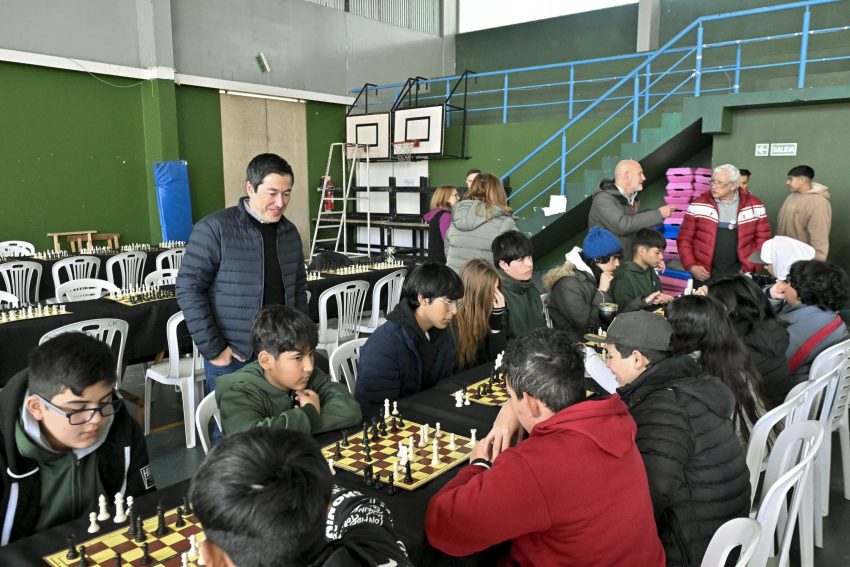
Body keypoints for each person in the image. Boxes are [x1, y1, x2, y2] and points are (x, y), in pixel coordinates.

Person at [425, 329, 666, 567]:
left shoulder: (537, 464)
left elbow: (444, 527)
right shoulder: (615, 420)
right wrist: (513, 409)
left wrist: (478, 465)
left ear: (531, 403)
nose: (511, 404)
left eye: (511, 397)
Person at [592, 312, 750, 566]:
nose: (608, 366)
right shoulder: (691, 385)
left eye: (609, 356)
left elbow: (649, 497)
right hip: (724, 533)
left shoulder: (664, 408)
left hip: (694, 550)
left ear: (637, 359)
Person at [0, 333, 154, 545]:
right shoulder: (4, 449)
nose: (97, 419)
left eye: (104, 402)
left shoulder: (123, 429)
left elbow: (144, 504)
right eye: (78, 409)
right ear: (37, 408)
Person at [176, 153, 308, 395]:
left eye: (287, 193)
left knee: (282, 416)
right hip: (236, 355)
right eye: (272, 193)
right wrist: (215, 349)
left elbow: (298, 287)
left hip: (282, 352)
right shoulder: (215, 228)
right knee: (235, 419)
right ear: (250, 188)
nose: (280, 202)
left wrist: (300, 340)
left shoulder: (289, 232)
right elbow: (189, 288)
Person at [189, 428, 411, 567]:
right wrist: (312, 491)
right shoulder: (376, 551)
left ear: (210, 558)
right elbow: (365, 508)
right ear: (328, 508)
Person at [215, 305, 361, 436]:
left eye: (311, 354)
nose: (309, 366)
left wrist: (301, 422)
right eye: (298, 357)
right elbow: (251, 441)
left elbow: (350, 409)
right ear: (266, 361)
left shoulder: (308, 375)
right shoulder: (238, 392)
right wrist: (310, 414)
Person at [354, 262, 463, 416]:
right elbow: (375, 411)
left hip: (429, 413)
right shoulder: (383, 347)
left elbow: (446, 383)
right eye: (448, 302)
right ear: (423, 298)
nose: (455, 310)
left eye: (456, 302)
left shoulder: (442, 332)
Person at [666, 295, 768, 444]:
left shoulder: (692, 374)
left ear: (682, 332)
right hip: (759, 447)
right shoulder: (733, 357)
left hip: (738, 452)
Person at [702, 274, 794, 408]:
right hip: (777, 409)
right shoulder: (770, 328)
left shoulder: (734, 348)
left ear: (726, 307)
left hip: (754, 414)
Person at [677, 164, 771, 283]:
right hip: (704, 274)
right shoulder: (698, 205)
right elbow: (684, 239)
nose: (714, 186)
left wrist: (751, 267)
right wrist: (691, 266)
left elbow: (763, 240)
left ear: (733, 185)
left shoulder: (755, 205)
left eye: (719, 183)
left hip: (740, 275)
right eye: (713, 182)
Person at [773, 260, 850, 382]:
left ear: (799, 291)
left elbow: (771, 368)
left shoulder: (795, 328)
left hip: (792, 388)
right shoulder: (828, 315)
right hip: (824, 385)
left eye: (788, 281)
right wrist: (774, 298)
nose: (784, 285)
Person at [543, 226, 622, 337]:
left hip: (600, 338)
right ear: (598, 259)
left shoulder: (598, 277)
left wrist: (642, 302)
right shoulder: (567, 285)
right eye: (614, 258)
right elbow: (588, 328)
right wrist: (602, 292)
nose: (617, 264)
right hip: (576, 344)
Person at [588, 159, 674, 259]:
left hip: (625, 259)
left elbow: (633, 229)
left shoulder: (628, 198)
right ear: (627, 176)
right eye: (640, 174)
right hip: (610, 263)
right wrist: (659, 214)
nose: (644, 178)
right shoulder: (603, 199)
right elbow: (623, 225)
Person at [445, 173, 517, 272]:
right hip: (486, 280)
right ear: (499, 192)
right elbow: (515, 261)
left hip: (454, 278)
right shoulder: (505, 223)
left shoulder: (457, 217)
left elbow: (447, 250)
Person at [453, 259, 507, 371]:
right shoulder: (453, 322)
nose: (497, 297)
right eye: (491, 292)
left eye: (497, 289)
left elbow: (498, 362)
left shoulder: (492, 313)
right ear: (476, 294)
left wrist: (496, 326)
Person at [492, 231, 547, 340]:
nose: (530, 264)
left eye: (529, 256)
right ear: (503, 264)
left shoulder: (531, 287)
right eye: (521, 260)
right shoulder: (497, 298)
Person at [610, 228, 673, 311]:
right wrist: (645, 301)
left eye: (662, 253)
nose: (662, 257)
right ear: (642, 251)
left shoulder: (650, 270)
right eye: (657, 253)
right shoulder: (623, 276)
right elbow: (622, 312)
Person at [777, 164, 831, 260]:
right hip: (785, 256)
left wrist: (817, 262)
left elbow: (819, 236)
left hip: (803, 261)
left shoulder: (818, 202)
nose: (787, 182)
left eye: (790, 179)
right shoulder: (791, 197)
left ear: (802, 180)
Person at [423, 185, 460, 264]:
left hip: (434, 260)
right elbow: (448, 241)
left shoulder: (436, 214)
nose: (459, 198)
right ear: (446, 197)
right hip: (442, 262)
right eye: (455, 195)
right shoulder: (446, 216)